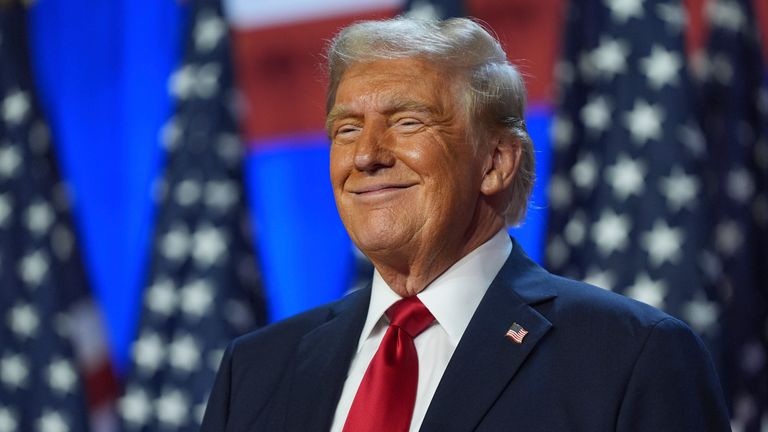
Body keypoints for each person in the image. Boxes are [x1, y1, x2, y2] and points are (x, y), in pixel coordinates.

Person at [200, 17, 730, 432]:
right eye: (346, 129)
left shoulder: (630, 358)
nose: (365, 157)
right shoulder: (256, 369)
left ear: (496, 162)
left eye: (407, 122)